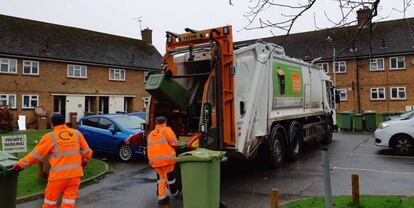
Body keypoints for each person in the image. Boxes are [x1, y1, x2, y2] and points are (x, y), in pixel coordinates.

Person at [12, 114, 93, 208]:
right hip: (75, 176)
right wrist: (84, 161)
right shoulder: (76, 134)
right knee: (68, 203)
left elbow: (35, 155)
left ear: (52, 124)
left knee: (49, 204)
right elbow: (87, 152)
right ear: (64, 122)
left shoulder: (49, 137)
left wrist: (20, 165)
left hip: (58, 177)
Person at [147, 116, 179, 204]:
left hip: (155, 161)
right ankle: (174, 192)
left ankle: (161, 197)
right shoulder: (166, 130)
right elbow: (175, 142)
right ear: (164, 122)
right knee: (170, 177)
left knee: (161, 178)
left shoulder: (151, 134)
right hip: (167, 159)